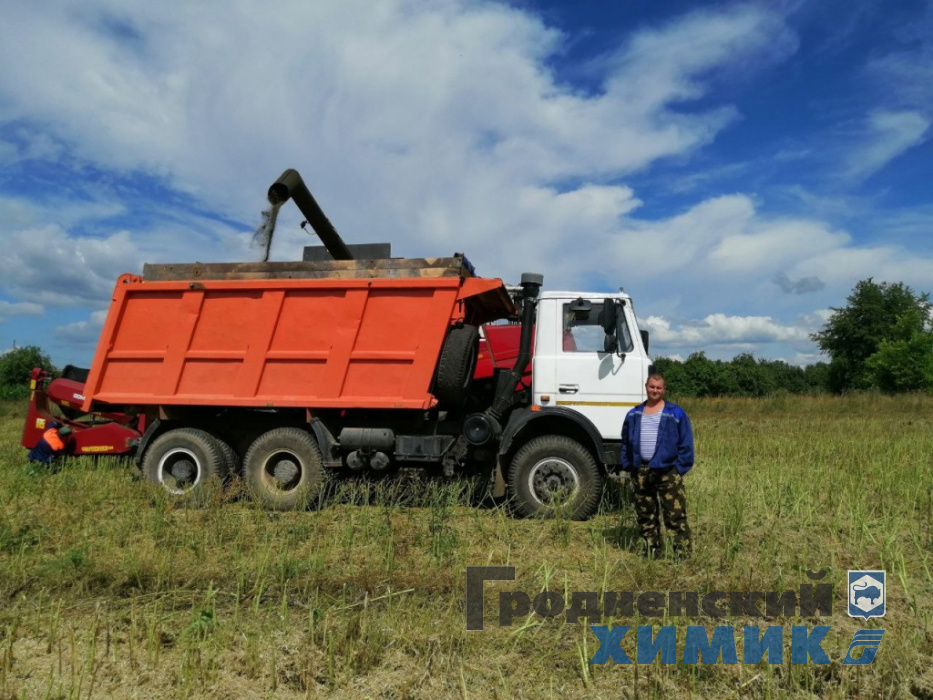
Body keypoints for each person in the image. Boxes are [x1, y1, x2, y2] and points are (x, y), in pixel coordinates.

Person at [620, 373, 694, 557]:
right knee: (646, 516)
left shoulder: (675, 413)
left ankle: (682, 554)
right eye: (652, 387)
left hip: (668, 472)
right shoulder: (634, 414)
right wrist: (629, 466)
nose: (655, 390)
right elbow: (625, 442)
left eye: (658, 387)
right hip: (641, 472)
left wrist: (678, 470)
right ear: (646, 387)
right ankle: (652, 552)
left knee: (675, 516)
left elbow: (686, 444)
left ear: (664, 389)